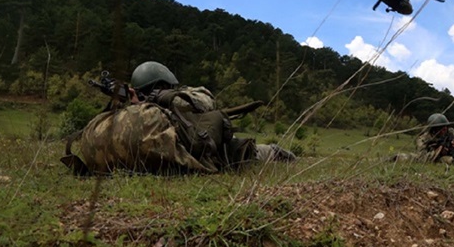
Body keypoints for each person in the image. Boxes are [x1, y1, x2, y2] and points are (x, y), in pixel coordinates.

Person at [61, 61, 295, 176]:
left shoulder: (178, 99)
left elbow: (205, 102)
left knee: (240, 147)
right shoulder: (140, 115)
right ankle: (274, 152)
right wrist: (136, 105)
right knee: (239, 150)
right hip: (202, 151)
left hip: (195, 144)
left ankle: (278, 154)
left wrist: (163, 98)